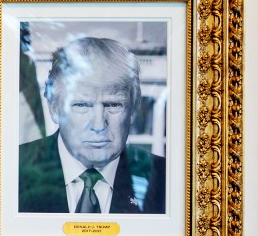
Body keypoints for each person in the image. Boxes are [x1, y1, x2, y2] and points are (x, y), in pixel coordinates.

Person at [18, 37, 165, 214]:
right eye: (82, 105)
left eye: (113, 105)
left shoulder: (168, 179)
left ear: (133, 109)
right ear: (54, 108)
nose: (98, 125)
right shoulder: (10, 169)